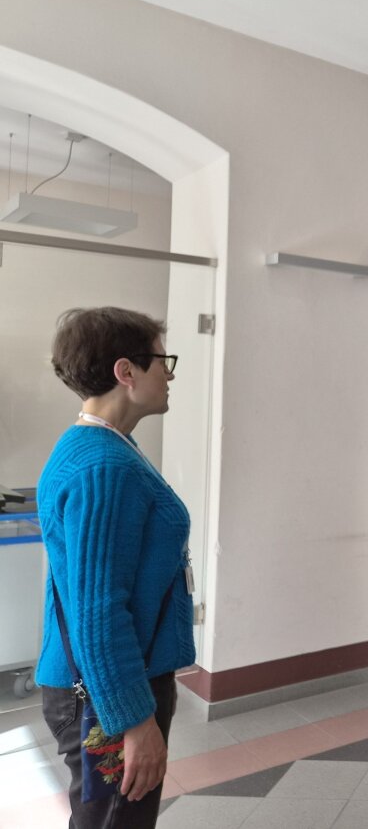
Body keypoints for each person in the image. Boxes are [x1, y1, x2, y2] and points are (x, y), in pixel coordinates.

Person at [36, 307, 194, 829]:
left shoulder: (102, 446)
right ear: (126, 371)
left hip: (111, 680)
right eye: (162, 361)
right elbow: (98, 612)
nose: (169, 374)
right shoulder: (104, 466)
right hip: (107, 690)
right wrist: (134, 720)